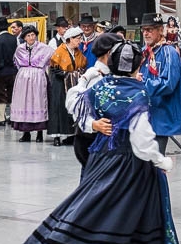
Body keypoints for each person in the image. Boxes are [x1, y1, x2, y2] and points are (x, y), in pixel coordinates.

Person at [25, 41, 178, 244]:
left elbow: (73, 104)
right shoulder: (138, 92)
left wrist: (91, 112)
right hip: (133, 164)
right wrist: (162, 161)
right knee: (142, 211)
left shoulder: (101, 85)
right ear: (136, 65)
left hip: (101, 158)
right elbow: (141, 139)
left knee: (97, 208)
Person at [66, 33, 120, 168]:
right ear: (109, 53)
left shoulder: (113, 75)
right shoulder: (94, 76)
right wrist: (93, 124)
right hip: (91, 142)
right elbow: (75, 106)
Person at [139, 13, 181, 154]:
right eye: (144, 30)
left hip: (160, 116)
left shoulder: (169, 52)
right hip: (144, 115)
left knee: (154, 163)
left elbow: (168, 84)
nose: (146, 33)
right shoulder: (144, 53)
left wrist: (141, 83)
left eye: (150, 29)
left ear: (161, 30)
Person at [11, 26, 55, 143]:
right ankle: (26, 133)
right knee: (24, 103)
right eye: (28, 35)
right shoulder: (20, 49)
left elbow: (52, 59)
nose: (31, 37)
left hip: (38, 77)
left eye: (33, 35)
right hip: (23, 79)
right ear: (24, 38)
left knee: (38, 102)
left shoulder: (44, 48)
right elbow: (16, 62)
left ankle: (40, 133)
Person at [49, 26, 87, 146]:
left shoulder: (78, 52)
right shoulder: (60, 51)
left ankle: (70, 134)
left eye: (80, 39)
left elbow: (82, 65)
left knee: (71, 107)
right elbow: (54, 68)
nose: (79, 41)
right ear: (70, 39)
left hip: (72, 83)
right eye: (77, 39)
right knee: (58, 107)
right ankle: (56, 136)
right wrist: (66, 73)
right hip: (60, 83)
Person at [0, 18, 18, 126]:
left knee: (1, 93)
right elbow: (17, 54)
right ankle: (13, 117)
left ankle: (1, 118)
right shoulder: (15, 39)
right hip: (13, 70)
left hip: (0, 70)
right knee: (13, 93)